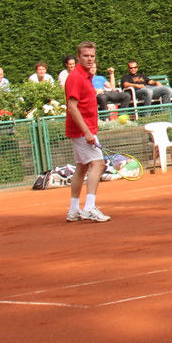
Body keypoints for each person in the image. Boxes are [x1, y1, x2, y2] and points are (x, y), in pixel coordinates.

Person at [63, 41, 110, 223]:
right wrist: (87, 133)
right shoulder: (75, 77)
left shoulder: (86, 76)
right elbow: (72, 107)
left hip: (84, 130)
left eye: (92, 56)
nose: (90, 59)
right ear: (78, 57)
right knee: (98, 164)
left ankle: (74, 210)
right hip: (82, 131)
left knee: (82, 167)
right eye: (85, 56)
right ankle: (89, 208)